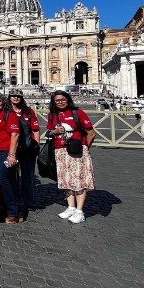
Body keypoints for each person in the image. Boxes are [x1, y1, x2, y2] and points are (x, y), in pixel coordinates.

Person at [46, 90, 96, 224]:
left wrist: (84, 148)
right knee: (65, 180)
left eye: (63, 99)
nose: (60, 102)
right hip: (60, 151)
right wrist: (54, 131)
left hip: (77, 152)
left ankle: (80, 211)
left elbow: (91, 133)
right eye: (57, 100)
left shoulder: (77, 112)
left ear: (68, 100)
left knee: (79, 181)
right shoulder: (52, 114)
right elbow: (49, 132)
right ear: (54, 102)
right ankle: (71, 207)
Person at [0, 91, 22, 224]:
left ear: (3, 102)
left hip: (6, 152)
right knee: (9, 180)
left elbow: (15, 135)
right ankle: (8, 208)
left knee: (2, 179)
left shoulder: (10, 115)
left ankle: (13, 211)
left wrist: (11, 155)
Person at [8, 88, 40, 211]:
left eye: (18, 96)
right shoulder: (6, 111)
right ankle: (15, 200)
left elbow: (35, 130)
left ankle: (30, 201)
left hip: (27, 149)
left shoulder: (28, 111)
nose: (16, 98)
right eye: (13, 96)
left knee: (28, 176)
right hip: (11, 149)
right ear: (9, 97)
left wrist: (36, 146)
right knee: (12, 176)